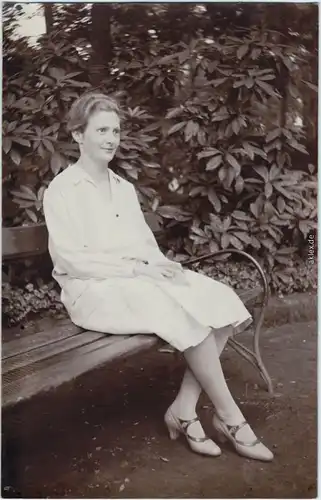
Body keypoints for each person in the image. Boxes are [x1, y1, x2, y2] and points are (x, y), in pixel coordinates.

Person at [43, 92, 273, 462]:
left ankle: (183, 409)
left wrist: (160, 265)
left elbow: (143, 245)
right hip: (92, 292)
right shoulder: (62, 190)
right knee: (181, 313)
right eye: (101, 130)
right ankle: (231, 419)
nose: (110, 139)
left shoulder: (123, 188)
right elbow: (74, 260)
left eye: (115, 131)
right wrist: (136, 269)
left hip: (136, 281)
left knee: (218, 299)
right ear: (77, 135)